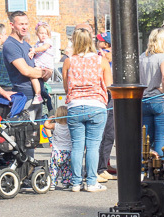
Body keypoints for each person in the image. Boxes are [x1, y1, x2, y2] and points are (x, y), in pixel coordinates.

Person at [62, 27, 112, 193]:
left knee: (77, 146)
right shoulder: (101, 61)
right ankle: (91, 182)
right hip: (96, 105)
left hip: (75, 105)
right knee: (92, 146)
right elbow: (110, 85)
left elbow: (65, 87)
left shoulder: (69, 61)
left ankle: (76, 182)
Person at [2, 11, 51, 129]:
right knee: (25, 137)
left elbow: (44, 72)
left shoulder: (27, 45)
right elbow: (26, 71)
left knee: (33, 138)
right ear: (12, 25)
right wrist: (44, 73)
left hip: (37, 96)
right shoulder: (10, 45)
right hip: (25, 97)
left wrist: (47, 73)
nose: (24, 27)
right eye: (21, 24)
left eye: (26, 24)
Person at [140, 28, 164, 155]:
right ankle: (159, 170)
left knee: (146, 138)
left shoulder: (142, 56)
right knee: (161, 138)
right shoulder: (163, 57)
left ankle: (144, 169)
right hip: (161, 100)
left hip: (145, 100)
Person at [95, 31, 116, 181]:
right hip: (106, 97)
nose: (98, 43)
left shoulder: (105, 55)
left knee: (108, 134)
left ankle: (103, 165)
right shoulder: (101, 56)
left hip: (108, 97)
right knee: (107, 134)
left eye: (100, 41)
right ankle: (100, 167)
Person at [43, 106, 71, 190]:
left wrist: (50, 118)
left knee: (54, 168)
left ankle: (52, 183)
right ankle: (66, 182)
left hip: (57, 151)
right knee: (67, 169)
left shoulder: (55, 125)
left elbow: (46, 125)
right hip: (68, 150)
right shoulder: (70, 126)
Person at [28, 21, 54, 105]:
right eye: (41, 33)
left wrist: (34, 50)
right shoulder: (37, 44)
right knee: (34, 77)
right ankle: (38, 94)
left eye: (46, 33)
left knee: (32, 74)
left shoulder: (48, 42)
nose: (43, 35)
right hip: (39, 66)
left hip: (46, 67)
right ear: (37, 34)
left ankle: (38, 94)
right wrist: (32, 53)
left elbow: (44, 48)